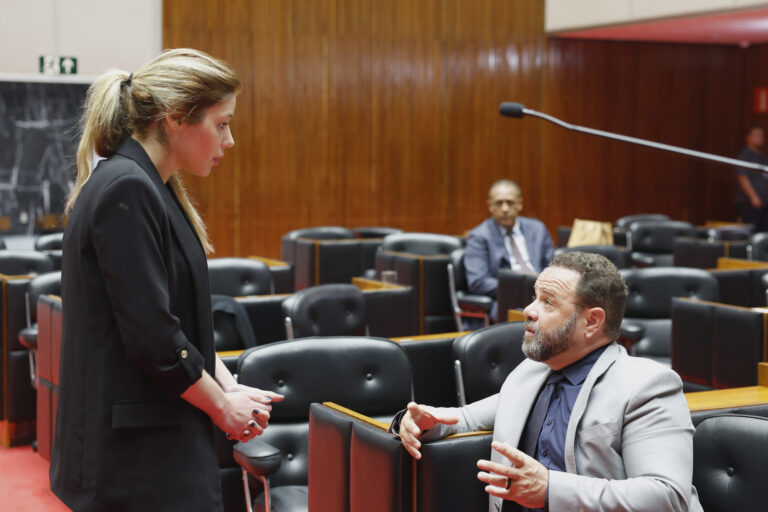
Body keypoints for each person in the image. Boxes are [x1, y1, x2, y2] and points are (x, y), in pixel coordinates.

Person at [50, 49, 283, 512]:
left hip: (153, 440)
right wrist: (222, 407)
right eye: (222, 124)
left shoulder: (150, 184)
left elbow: (178, 315)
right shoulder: (128, 186)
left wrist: (226, 384)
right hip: (136, 459)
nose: (230, 140)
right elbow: (153, 336)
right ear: (176, 118)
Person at [392, 252, 702, 512]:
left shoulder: (647, 385)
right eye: (534, 297)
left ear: (592, 321)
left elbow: (667, 496)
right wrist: (419, 422)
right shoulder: (531, 372)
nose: (529, 310)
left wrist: (551, 489)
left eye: (548, 302)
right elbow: (466, 419)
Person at [465, 179, 554, 322]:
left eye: (510, 203)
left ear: (519, 204)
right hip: (508, 300)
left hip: (545, 296)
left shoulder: (537, 229)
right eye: (499, 203)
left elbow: (552, 266)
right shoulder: (479, 236)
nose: (505, 209)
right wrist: (520, 287)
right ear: (490, 206)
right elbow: (478, 281)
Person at [734, 126, 768, 232]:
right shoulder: (745, 155)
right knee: (753, 232)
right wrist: (753, 197)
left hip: (764, 203)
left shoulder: (762, 156)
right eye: (757, 135)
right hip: (749, 203)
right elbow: (742, 176)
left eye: (761, 136)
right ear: (748, 137)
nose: (760, 138)